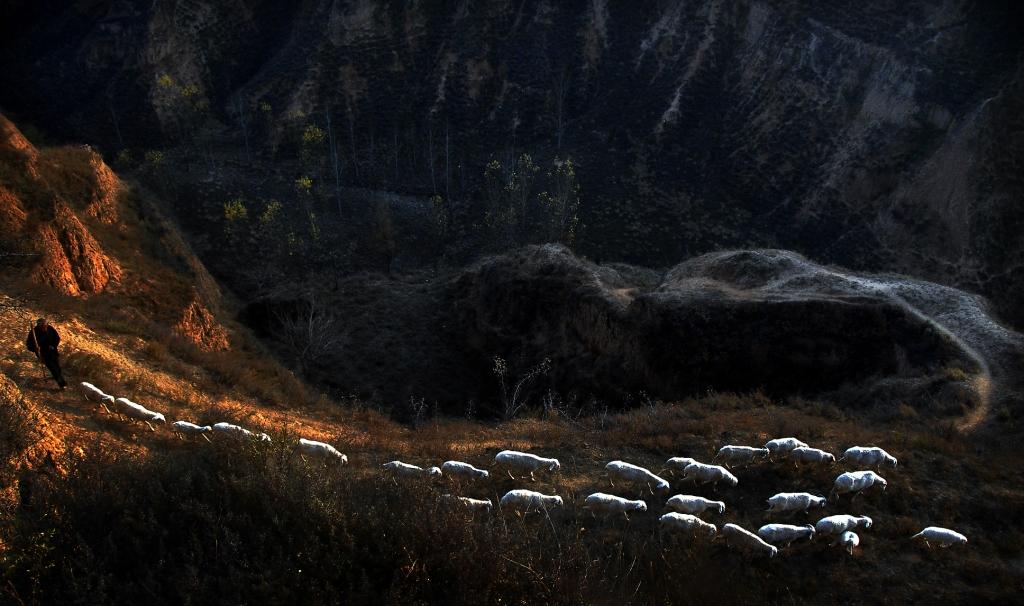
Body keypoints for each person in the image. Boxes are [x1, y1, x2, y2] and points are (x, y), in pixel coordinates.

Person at [26, 317, 67, 389]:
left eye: (45, 326)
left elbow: (57, 338)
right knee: (53, 368)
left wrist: (53, 345)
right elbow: (29, 345)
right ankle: (62, 384)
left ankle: (57, 377)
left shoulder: (50, 328)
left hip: (53, 352)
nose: (44, 328)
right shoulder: (33, 332)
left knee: (58, 368)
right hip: (43, 354)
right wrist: (35, 348)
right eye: (42, 326)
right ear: (39, 326)